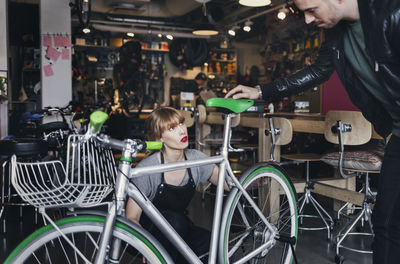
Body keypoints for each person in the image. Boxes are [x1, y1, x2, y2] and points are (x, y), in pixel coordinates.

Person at [225, 0, 400, 263]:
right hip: (398, 132)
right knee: (385, 222)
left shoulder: (392, 12)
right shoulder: (337, 32)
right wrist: (262, 91)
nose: (307, 20)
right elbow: (318, 71)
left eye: (312, 10)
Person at [126, 107, 226, 263]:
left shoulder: (195, 159)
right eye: (172, 128)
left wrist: (256, 181)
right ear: (160, 138)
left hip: (180, 228)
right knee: (175, 222)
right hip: (148, 233)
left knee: (214, 244)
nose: (181, 131)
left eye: (181, 124)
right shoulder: (147, 169)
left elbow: (228, 184)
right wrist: (145, 245)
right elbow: (131, 217)